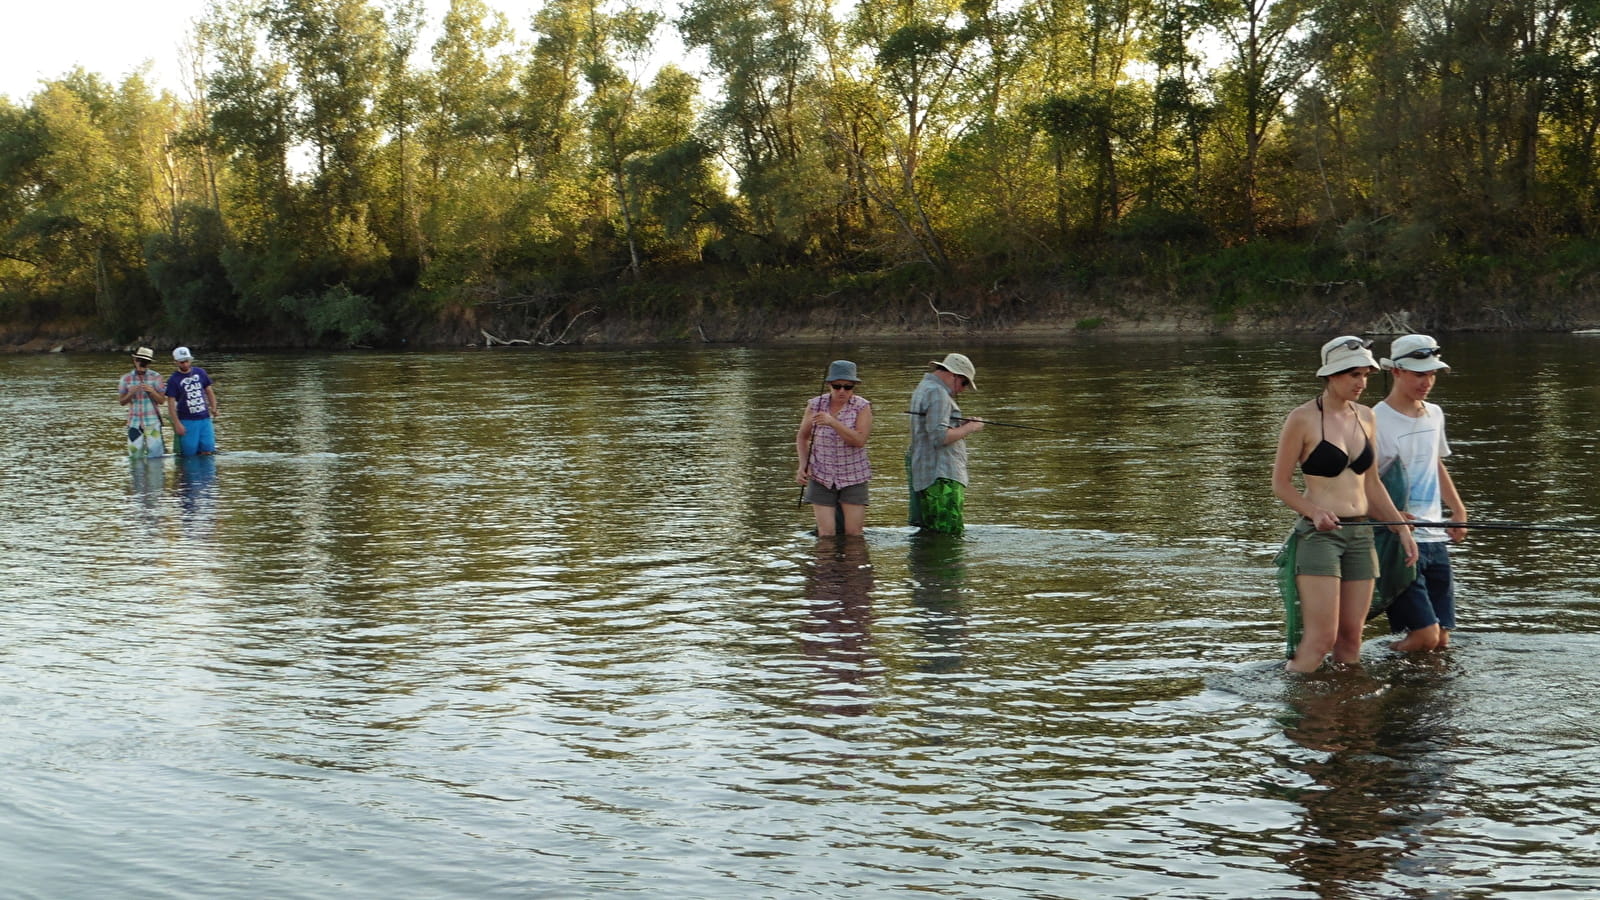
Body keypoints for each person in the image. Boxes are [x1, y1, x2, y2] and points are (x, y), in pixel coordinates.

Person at [1272, 336, 1418, 673]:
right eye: (1353, 374)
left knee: (1351, 639)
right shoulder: (1302, 418)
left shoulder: (1367, 417)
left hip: (1362, 535)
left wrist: (1401, 531)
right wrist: (1315, 511)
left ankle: (1349, 715)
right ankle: (1300, 713)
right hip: (1319, 537)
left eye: (1365, 374)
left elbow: (1372, 484)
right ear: (1331, 375)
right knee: (1322, 639)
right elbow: (1280, 485)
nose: (1361, 383)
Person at [1374, 334, 1465, 652]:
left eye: (1432, 373)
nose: (1427, 381)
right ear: (1396, 371)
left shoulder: (1435, 414)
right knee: (1424, 636)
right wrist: (1391, 517)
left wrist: (1458, 511)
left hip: (1436, 539)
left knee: (1441, 639)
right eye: (1418, 373)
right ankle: (1379, 666)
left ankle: (1428, 695)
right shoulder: (1373, 420)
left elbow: (1434, 463)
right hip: (1399, 543)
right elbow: (1364, 482)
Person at [907, 352, 985, 535]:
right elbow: (940, 437)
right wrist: (971, 428)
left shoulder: (923, 388)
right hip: (942, 476)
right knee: (948, 535)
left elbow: (933, 430)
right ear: (953, 374)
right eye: (964, 383)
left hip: (928, 474)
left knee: (934, 534)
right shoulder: (938, 393)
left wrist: (960, 425)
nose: (963, 390)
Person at [796, 360, 874, 536]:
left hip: (854, 475)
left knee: (854, 533)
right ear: (829, 385)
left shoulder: (862, 406)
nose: (842, 391)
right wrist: (803, 465)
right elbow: (802, 436)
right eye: (837, 386)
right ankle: (826, 563)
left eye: (848, 387)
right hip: (821, 475)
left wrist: (833, 422)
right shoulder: (815, 405)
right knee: (826, 534)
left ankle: (853, 563)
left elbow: (859, 440)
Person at [164, 346, 218, 456]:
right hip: (187, 420)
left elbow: (209, 391)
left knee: (208, 450)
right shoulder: (173, 380)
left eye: (187, 361)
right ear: (176, 362)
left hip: (204, 418)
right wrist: (177, 423)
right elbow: (171, 404)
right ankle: (190, 472)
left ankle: (208, 473)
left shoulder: (200, 372)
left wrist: (214, 408)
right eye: (181, 362)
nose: (185, 364)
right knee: (190, 453)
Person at [119, 346, 167, 458]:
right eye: (139, 361)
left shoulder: (156, 377)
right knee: (134, 455)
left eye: (145, 362)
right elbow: (121, 402)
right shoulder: (126, 379)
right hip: (134, 424)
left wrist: (152, 391)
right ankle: (137, 475)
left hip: (151, 423)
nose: (141, 364)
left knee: (155, 453)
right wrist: (130, 394)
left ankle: (155, 475)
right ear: (135, 361)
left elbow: (161, 401)